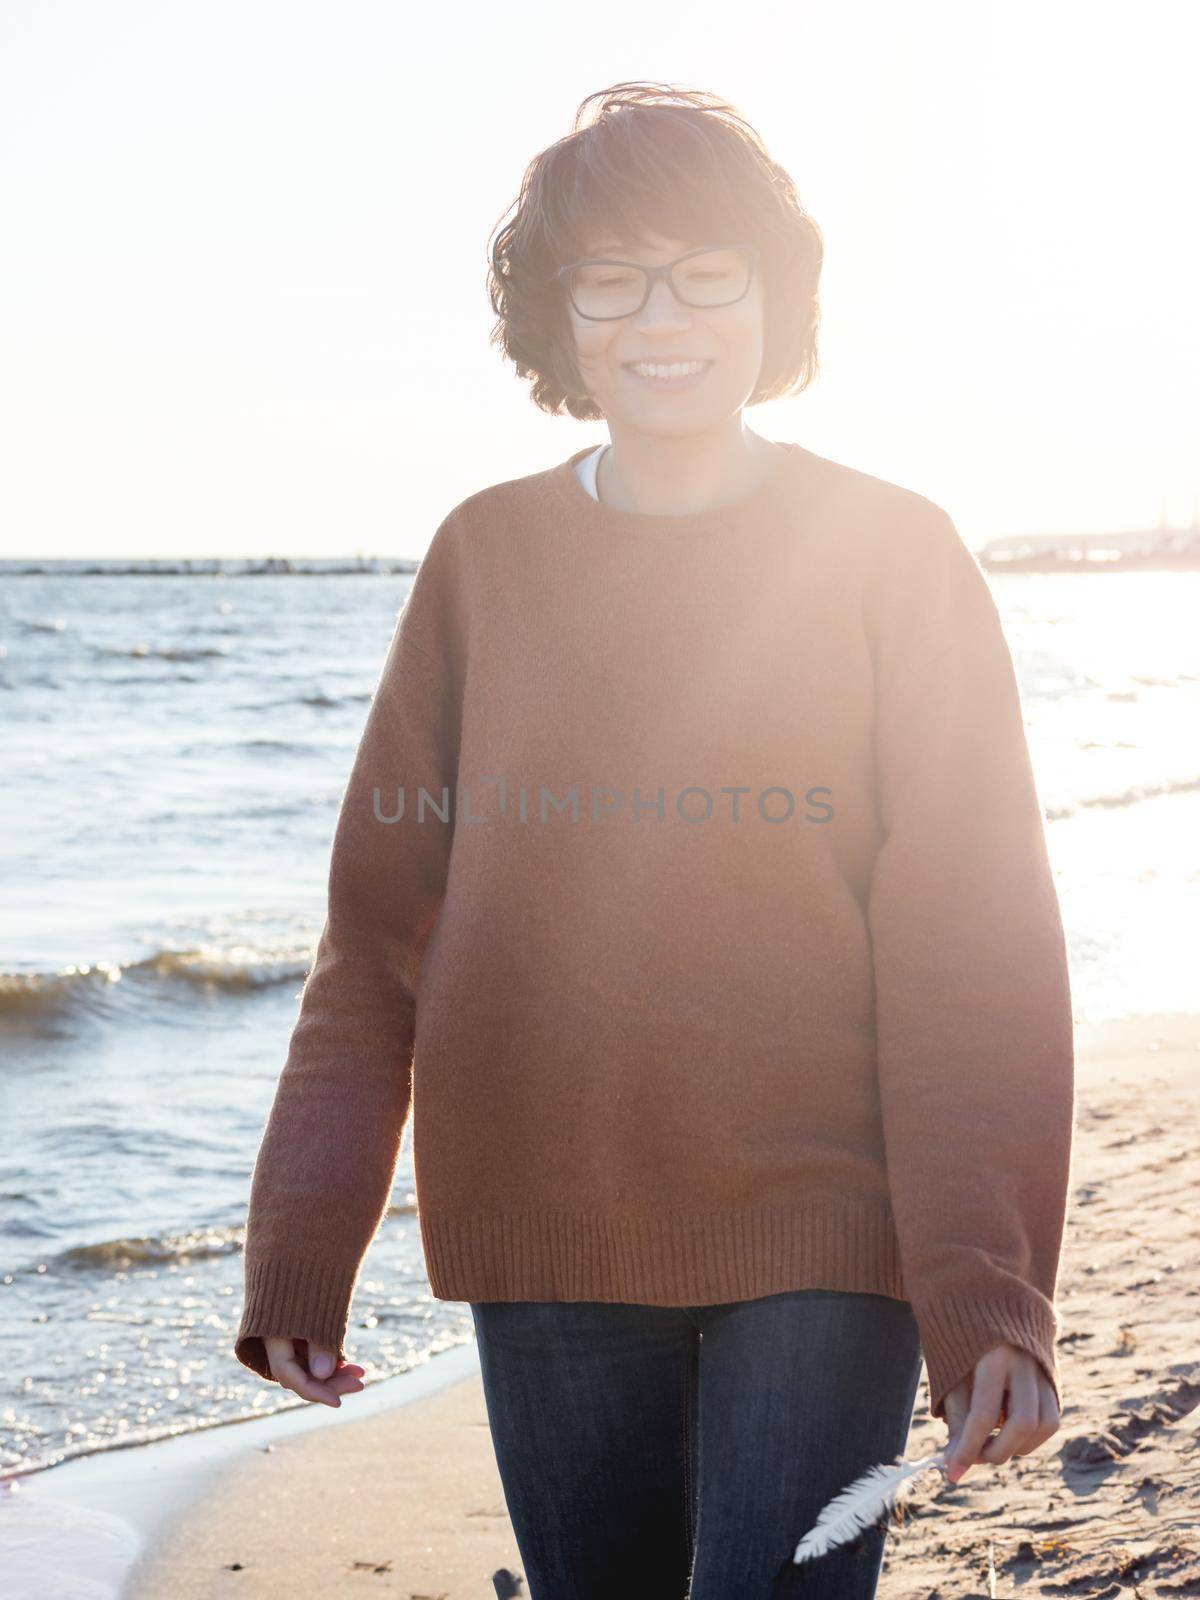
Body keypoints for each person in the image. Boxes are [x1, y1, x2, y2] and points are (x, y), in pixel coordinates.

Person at [234, 81, 1076, 1598]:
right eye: (611, 278)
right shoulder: (483, 558)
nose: (661, 315)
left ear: (773, 295)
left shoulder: (894, 555)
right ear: (559, 315)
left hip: (827, 1217)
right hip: (544, 1229)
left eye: (707, 270)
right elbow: (376, 940)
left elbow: (975, 942)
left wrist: (989, 1289)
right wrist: (306, 1238)